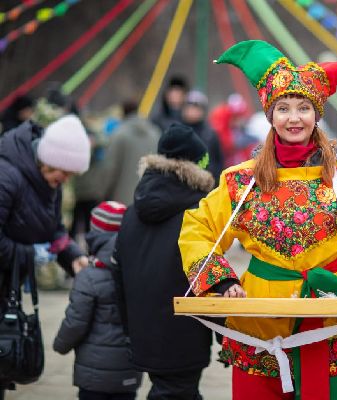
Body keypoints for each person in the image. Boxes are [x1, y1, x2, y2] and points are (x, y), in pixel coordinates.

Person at [179, 40, 337, 400]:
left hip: (332, 326)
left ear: (317, 114)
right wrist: (220, 282)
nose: (294, 117)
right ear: (270, 115)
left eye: (303, 107)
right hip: (260, 328)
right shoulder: (240, 180)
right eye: (283, 108)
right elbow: (198, 230)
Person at [114, 123, 216, 400]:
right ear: (198, 166)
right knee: (175, 393)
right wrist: (224, 329)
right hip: (185, 330)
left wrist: (128, 329)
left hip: (143, 329)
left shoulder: (132, 213)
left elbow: (118, 276)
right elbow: (207, 272)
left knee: (173, 391)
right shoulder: (198, 212)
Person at [0, 114, 90, 393]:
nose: (63, 179)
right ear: (46, 158)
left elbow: (53, 228)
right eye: (61, 171)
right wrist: (29, 254)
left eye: (70, 175)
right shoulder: (7, 176)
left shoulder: (50, 184)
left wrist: (72, 255)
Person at [53, 201, 142, 400]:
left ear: (95, 235)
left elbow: (75, 321)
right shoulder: (138, 273)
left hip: (93, 375)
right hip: (129, 370)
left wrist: (60, 345)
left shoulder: (89, 276)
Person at [103, 100, 160, 205]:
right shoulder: (155, 134)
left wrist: (103, 193)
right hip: (146, 200)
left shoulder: (119, 134)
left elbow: (110, 167)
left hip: (119, 200)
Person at [181, 89, 225, 181]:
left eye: (197, 108)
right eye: (190, 107)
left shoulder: (210, 134)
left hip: (206, 183)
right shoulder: (176, 131)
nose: (193, 111)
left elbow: (219, 162)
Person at [209, 93, 257, 167]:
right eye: (236, 116)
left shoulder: (238, 128)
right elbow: (229, 144)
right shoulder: (221, 122)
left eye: (240, 116)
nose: (239, 119)